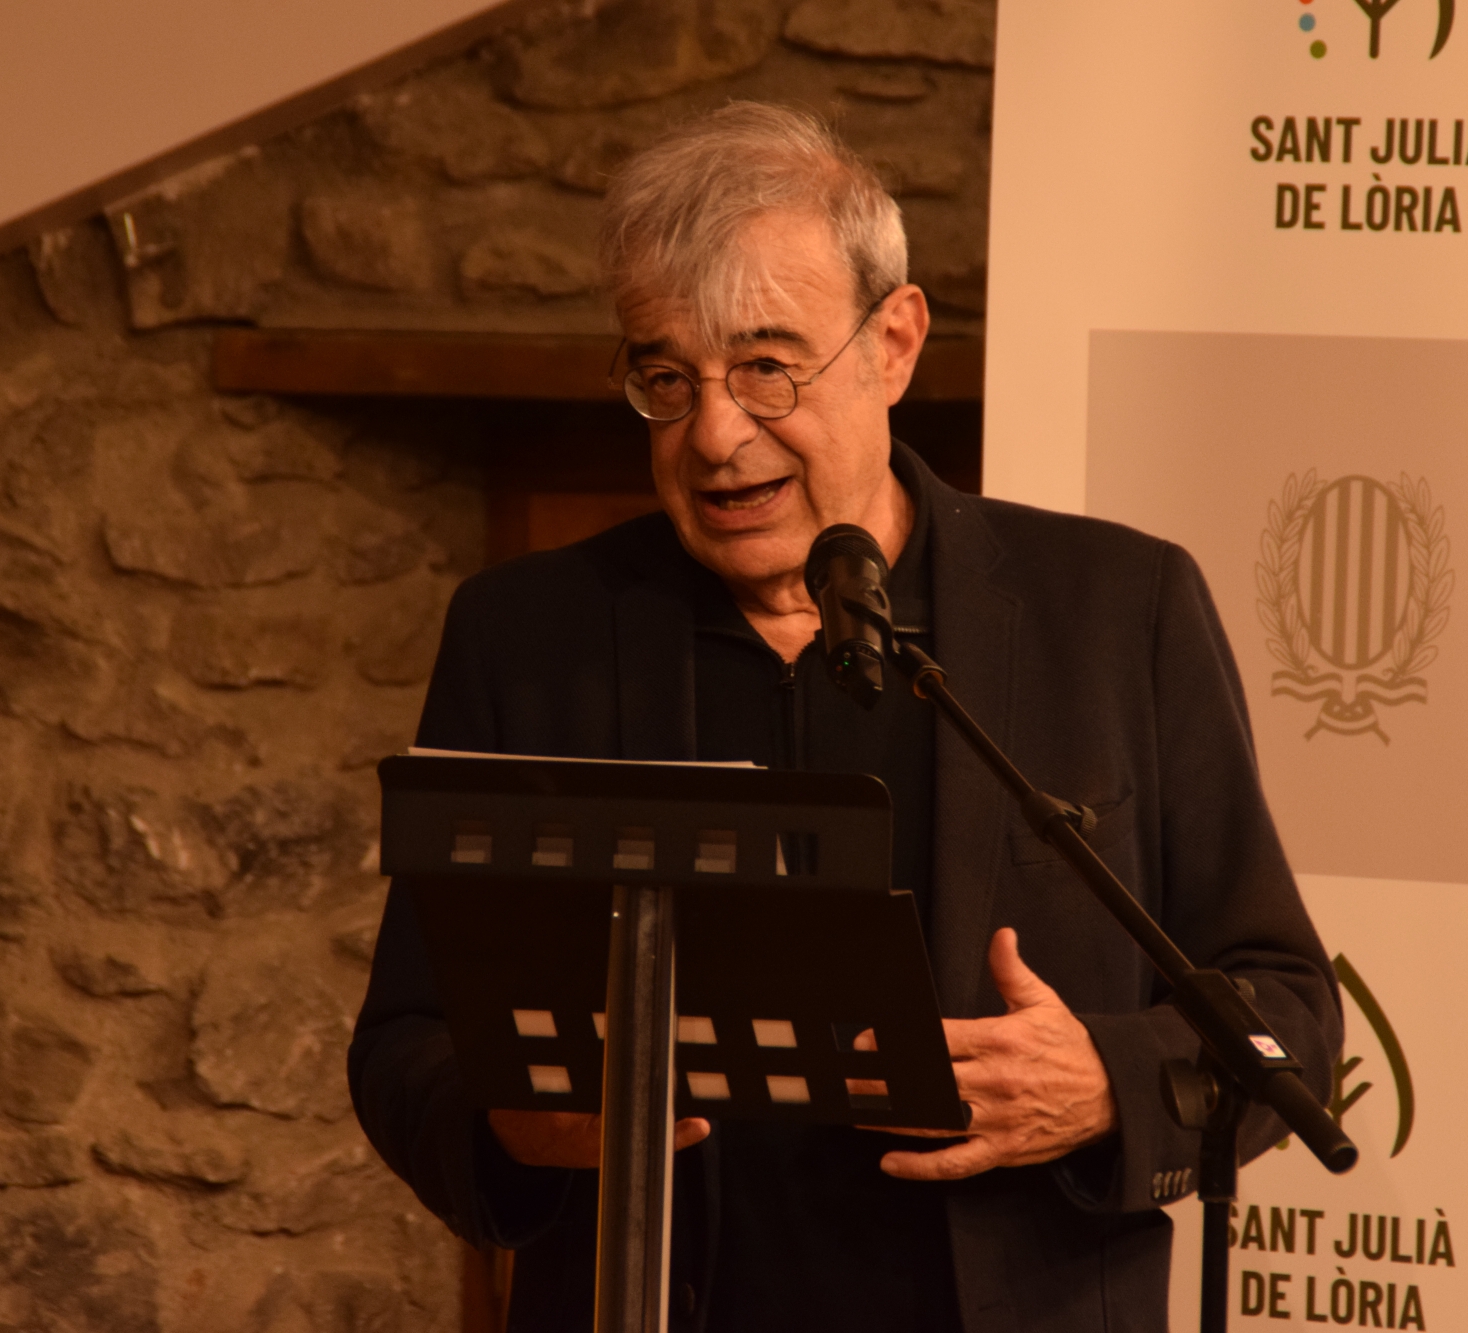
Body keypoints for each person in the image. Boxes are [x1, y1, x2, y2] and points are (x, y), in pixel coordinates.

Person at [349, 102, 1342, 1332]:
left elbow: (1284, 1015)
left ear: (894, 342)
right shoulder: (527, 634)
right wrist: (516, 1124)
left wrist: (1103, 1081)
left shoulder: (1113, 610)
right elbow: (405, 1041)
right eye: (665, 379)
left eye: (767, 366)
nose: (715, 435)